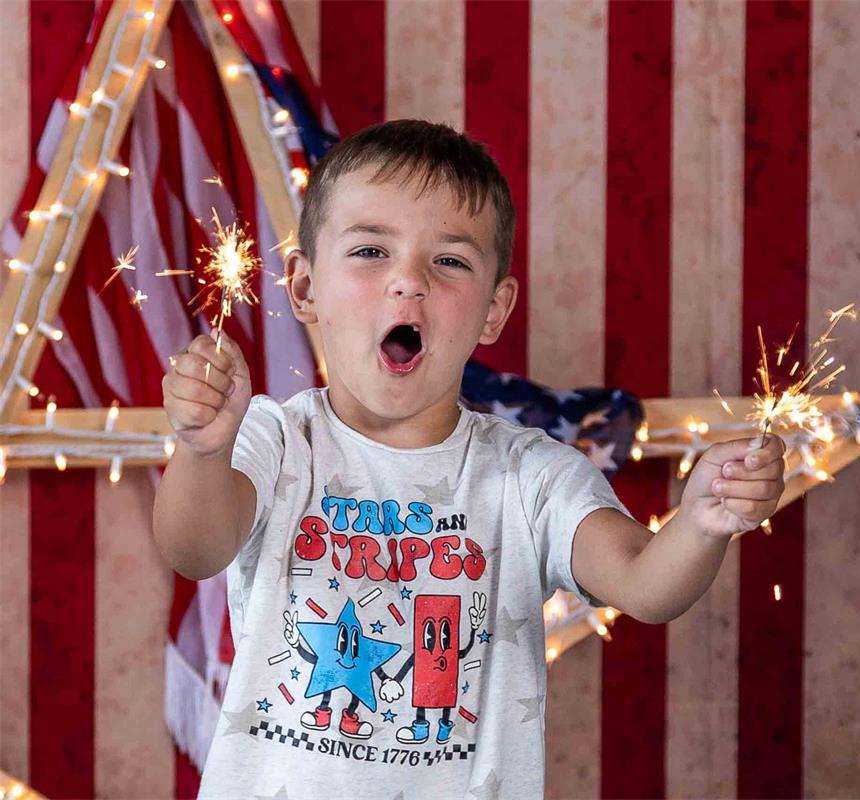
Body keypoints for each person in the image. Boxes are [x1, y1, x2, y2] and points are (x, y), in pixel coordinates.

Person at [153, 119, 785, 799]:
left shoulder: (531, 476)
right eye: (370, 250)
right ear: (305, 288)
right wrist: (202, 450)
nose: (408, 283)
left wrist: (701, 522)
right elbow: (193, 549)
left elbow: (643, 584)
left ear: (493, 309)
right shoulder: (275, 441)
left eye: (449, 261)